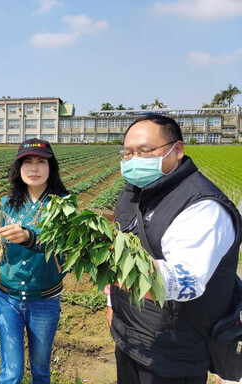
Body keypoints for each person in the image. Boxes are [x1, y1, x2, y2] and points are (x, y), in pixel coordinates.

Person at [107, 115, 242, 384]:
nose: (134, 160)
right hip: (129, 337)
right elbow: (118, 243)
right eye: (128, 153)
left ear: (177, 150)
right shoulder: (133, 190)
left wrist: (112, 262)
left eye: (145, 151)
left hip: (172, 350)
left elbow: (185, 281)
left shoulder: (202, 207)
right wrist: (112, 303)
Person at [0, 138, 68, 384]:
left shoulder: (64, 205)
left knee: (41, 370)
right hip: (6, 298)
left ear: (50, 168)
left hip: (44, 298)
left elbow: (64, 244)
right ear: (18, 169)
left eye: (41, 162)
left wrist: (29, 237)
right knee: (11, 373)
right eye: (28, 162)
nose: (34, 168)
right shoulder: (5, 203)